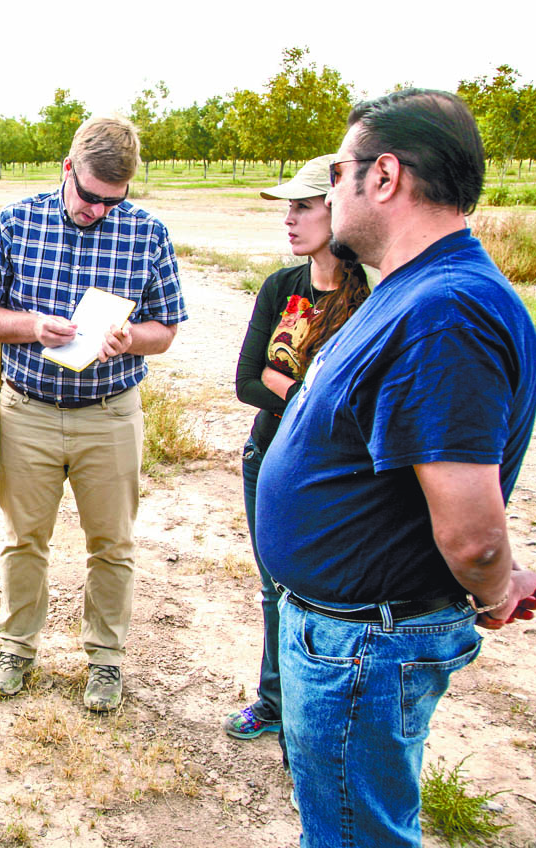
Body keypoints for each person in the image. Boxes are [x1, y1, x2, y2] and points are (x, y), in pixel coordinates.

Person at [256, 89, 536, 846]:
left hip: (363, 646)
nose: (327, 193)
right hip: (345, 635)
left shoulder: (444, 311)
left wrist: (493, 586)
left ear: (384, 176)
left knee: (360, 837)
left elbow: (474, 532)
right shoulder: (410, 291)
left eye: (338, 174)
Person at [0, 116, 187, 712]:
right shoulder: (17, 221)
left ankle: (106, 661)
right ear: (67, 169)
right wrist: (33, 327)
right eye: (90, 197)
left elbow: (165, 329)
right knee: (23, 539)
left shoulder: (147, 233)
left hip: (111, 414)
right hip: (28, 411)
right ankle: (16, 648)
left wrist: (129, 339)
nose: (99, 211)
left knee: (112, 544)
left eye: (113, 201)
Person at [225, 154, 369, 751]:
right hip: (269, 459)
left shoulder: (372, 294)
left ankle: (314, 726)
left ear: (336, 210)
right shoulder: (282, 287)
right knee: (273, 588)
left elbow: (360, 405)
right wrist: (312, 390)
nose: (289, 219)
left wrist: (289, 387)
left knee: (326, 601)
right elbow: (245, 383)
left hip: (337, 475)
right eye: (288, 207)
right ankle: (274, 702)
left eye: (303, 207)